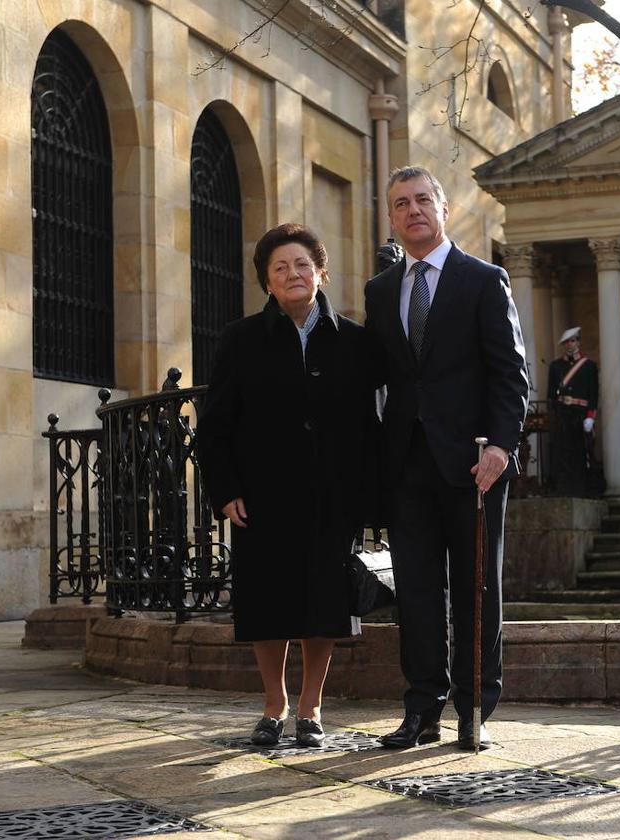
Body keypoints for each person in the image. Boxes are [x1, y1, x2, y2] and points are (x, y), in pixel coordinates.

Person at [196, 223, 381, 749]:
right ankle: (274, 705)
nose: (293, 274)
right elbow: (216, 424)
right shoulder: (241, 339)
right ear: (267, 283)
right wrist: (225, 487)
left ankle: (312, 707)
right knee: (268, 600)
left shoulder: (356, 341)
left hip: (332, 494)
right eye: (280, 268)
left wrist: (368, 495)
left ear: (321, 272)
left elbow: (369, 424)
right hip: (261, 495)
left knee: (325, 603)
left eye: (302, 265)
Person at [364, 165, 528, 751]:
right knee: (416, 591)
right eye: (400, 203)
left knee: (478, 589)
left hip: (474, 464)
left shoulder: (483, 279)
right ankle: (422, 707)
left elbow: (511, 371)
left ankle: (474, 709)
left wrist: (503, 447)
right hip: (407, 466)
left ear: (444, 207)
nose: (412, 211)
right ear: (391, 216)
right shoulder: (381, 291)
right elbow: (375, 374)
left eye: (422, 200)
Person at [545, 327, 598, 496]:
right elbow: (551, 394)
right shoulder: (555, 366)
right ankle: (564, 488)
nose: (570, 344)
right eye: (567, 342)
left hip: (580, 414)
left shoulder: (589, 366)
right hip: (563, 414)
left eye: (573, 341)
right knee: (562, 452)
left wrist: (590, 417)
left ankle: (581, 489)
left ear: (578, 342)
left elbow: (594, 394)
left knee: (580, 453)